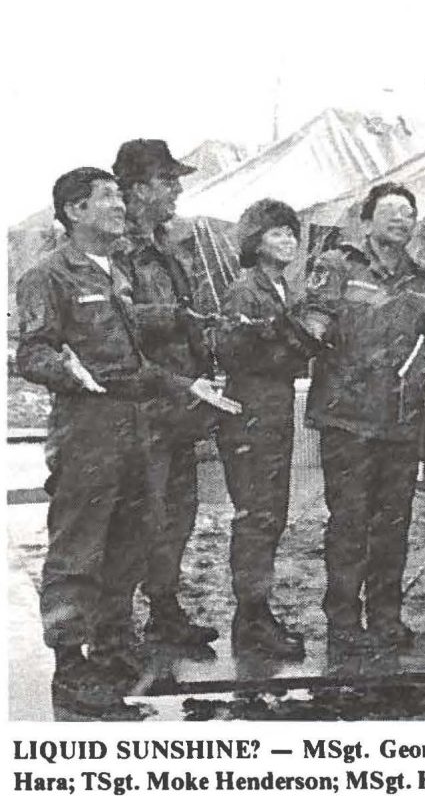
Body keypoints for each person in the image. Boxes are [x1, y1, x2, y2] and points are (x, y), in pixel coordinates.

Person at [16, 168, 238, 718]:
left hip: (136, 427)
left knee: (130, 542)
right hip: (88, 431)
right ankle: (71, 667)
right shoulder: (50, 275)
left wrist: (187, 384)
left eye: (119, 195)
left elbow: (135, 362)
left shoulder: (114, 273)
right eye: (108, 198)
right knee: (78, 548)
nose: (120, 206)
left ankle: (112, 648)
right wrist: (70, 372)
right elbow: (33, 353)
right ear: (74, 210)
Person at [302, 183, 425, 657]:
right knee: (349, 522)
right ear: (367, 220)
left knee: (394, 524)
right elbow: (311, 325)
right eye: (391, 212)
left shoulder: (422, 278)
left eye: (408, 213)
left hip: (400, 423)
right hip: (349, 423)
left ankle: (385, 615)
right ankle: (342, 619)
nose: (401, 220)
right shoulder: (338, 265)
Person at [112, 139, 219, 648]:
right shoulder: (115, 249)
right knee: (138, 517)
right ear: (137, 188)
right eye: (166, 180)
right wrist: (177, 317)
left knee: (177, 514)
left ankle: (164, 607)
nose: (177, 188)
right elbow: (114, 321)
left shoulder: (169, 245)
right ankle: (115, 630)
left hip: (179, 405)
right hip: (140, 407)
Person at [216, 199, 317, 660]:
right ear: (255, 242)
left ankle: (256, 614)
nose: (288, 241)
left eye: (291, 233)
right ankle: (251, 618)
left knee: (270, 513)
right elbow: (238, 352)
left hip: (272, 409)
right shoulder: (247, 290)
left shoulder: (280, 289)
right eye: (277, 233)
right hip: (252, 409)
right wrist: (292, 344)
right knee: (257, 516)